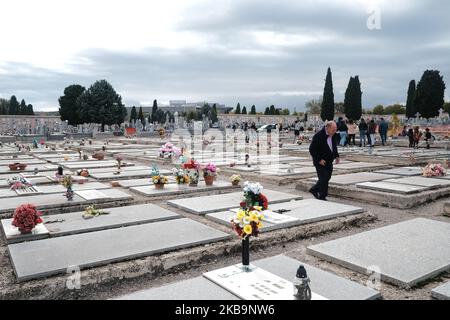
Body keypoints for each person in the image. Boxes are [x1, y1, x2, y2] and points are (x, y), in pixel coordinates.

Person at [308, 121, 340, 201]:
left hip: (329, 161)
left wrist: (336, 156)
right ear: (327, 128)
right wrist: (319, 159)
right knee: (324, 178)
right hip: (320, 162)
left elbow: (333, 147)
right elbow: (312, 149)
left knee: (327, 178)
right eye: (333, 129)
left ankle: (314, 190)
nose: (335, 131)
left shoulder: (333, 135)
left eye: (335, 129)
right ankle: (322, 195)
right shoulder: (318, 136)